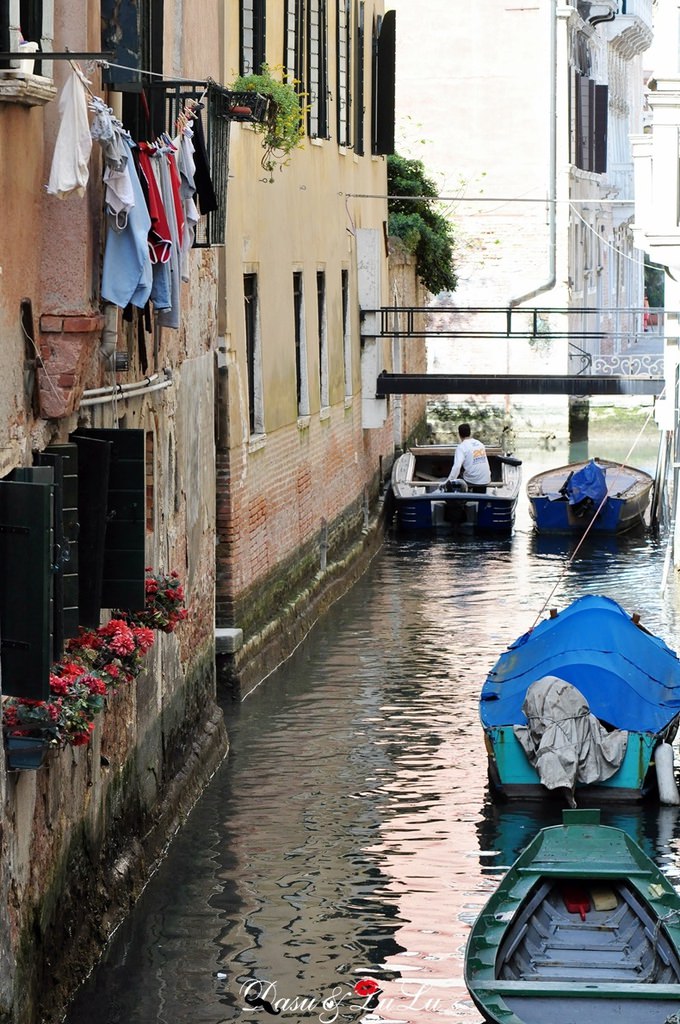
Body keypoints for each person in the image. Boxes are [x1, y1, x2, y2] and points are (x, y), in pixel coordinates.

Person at [445, 423, 491, 492]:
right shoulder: (480, 444)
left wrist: (448, 482)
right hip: (486, 479)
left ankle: (463, 497)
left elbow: (457, 467)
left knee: (459, 477)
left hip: (473, 481)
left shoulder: (462, 447)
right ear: (470, 433)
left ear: (459, 435)